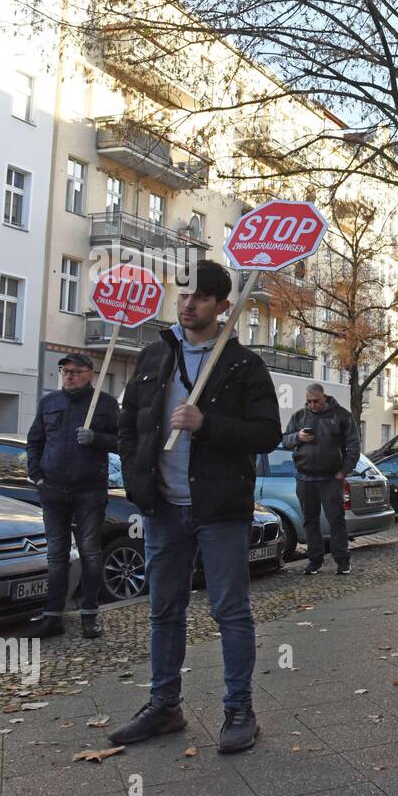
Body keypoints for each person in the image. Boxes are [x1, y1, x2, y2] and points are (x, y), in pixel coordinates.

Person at [109, 260, 282, 754]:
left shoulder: (242, 364)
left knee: (230, 611)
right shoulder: (152, 357)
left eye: (201, 297)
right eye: (184, 296)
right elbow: (130, 425)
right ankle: (165, 705)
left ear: (222, 306)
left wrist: (208, 425)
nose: (189, 304)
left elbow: (268, 432)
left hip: (218, 507)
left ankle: (239, 710)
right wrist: (137, 478)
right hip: (163, 507)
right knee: (164, 610)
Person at [24, 353, 119, 639]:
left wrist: (97, 439)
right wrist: (38, 476)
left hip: (89, 489)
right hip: (53, 489)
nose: (69, 376)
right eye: (65, 371)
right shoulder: (49, 403)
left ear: (90, 374)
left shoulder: (105, 404)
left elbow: (125, 441)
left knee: (90, 552)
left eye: (76, 372)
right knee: (56, 555)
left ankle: (90, 615)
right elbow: (34, 442)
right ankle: (53, 616)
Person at [282, 382, 362, 575]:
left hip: (330, 478)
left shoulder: (341, 416)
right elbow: (285, 440)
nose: (312, 405)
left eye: (316, 401)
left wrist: (343, 472)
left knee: (336, 520)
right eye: (309, 401)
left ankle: (342, 561)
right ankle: (315, 560)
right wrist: (298, 438)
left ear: (324, 397)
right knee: (310, 520)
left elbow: (354, 447)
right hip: (304, 476)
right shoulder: (299, 416)